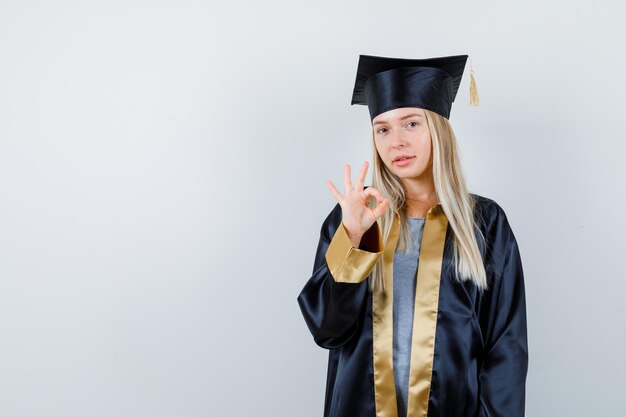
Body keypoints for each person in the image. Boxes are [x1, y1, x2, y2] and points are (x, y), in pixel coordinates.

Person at [296, 54, 528, 417]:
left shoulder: (484, 222)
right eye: (383, 128)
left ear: (439, 128)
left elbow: (505, 348)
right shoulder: (359, 216)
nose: (396, 142)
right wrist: (353, 238)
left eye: (411, 124)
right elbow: (327, 329)